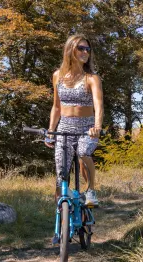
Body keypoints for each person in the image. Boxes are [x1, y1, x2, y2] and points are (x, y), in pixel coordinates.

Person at [46, 34, 103, 207]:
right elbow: (56, 106)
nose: (86, 52)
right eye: (81, 48)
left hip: (87, 127)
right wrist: (50, 130)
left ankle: (91, 189)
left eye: (88, 49)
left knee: (84, 152)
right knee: (61, 173)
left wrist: (97, 126)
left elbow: (99, 105)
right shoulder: (58, 76)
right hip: (64, 126)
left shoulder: (92, 78)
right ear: (70, 50)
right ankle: (61, 227)